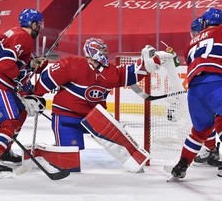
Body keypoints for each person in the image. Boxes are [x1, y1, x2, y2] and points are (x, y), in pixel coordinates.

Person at [32, 37, 176, 153]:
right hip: (67, 117)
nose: (105, 53)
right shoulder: (72, 64)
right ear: (93, 51)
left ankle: (133, 154)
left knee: (123, 146)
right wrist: (34, 96)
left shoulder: (110, 71)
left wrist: (152, 62)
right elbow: (47, 80)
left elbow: (133, 73)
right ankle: (48, 152)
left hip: (94, 117)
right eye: (102, 50)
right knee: (71, 158)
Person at [0, 8, 46, 178]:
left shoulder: (16, 34)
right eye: (40, 24)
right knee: (10, 120)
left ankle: (5, 150)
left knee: (21, 112)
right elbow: (6, 64)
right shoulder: (23, 37)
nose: (40, 28)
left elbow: (12, 60)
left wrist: (31, 64)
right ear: (34, 24)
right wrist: (21, 79)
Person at [171, 7, 222, 179]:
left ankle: (181, 165)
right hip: (217, 85)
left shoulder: (189, 44)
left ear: (204, 23)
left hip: (194, 92)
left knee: (199, 132)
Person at [189, 16, 221, 167]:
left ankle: (212, 150)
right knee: (213, 120)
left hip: (199, 87)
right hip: (215, 84)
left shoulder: (193, 44)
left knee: (206, 124)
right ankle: (212, 150)